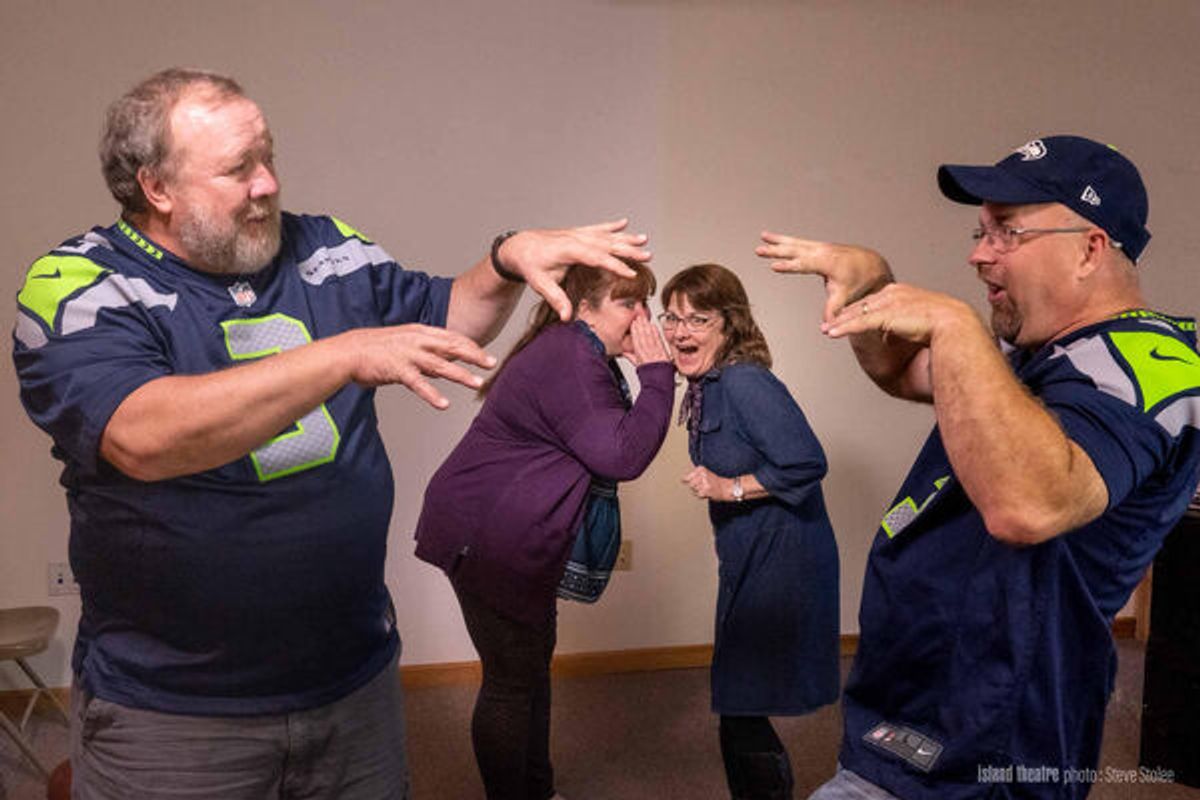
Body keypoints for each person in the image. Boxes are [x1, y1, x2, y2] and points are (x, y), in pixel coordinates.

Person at [11, 66, 652, 800]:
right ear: (156, 187)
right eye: (238, 168)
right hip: (176, 711)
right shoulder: (79, 284)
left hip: (352, 683)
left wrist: (506, 259)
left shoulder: (325, 247)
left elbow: (448, 318)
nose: (267, 183)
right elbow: (142, 435)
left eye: (268, 156)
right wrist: (342, 355)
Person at [757, 135, 1200, 800]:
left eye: (1007, 232)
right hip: (918, 704)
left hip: (989, 742)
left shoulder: (1151, 366)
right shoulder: (1040, 345)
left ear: (1090, 249)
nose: (978, 253)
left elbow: (1031, 504)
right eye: (980, 231)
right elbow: (905, 371)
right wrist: (869, 282)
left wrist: (956, 325)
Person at [413, 261, 673, 799]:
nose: (642, 317)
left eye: (644, 303)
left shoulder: (577, 351)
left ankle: (539, 790)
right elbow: (622, 454)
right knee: (512, 681)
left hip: (507, 532)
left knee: (529, 669)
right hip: (487, 535)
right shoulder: (571, 357)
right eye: (628, 303)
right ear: (583, 308)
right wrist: (658, 375)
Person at [662, 263, 840, 800]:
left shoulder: (745, 382)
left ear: (729, 323)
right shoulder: (705, 385)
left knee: (741, 697)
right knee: (739, 696)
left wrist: (730, 487)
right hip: (746, 552)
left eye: (697, 319)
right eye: (671, 317)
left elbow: (807, 462)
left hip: (784, 555)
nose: (680, 331)